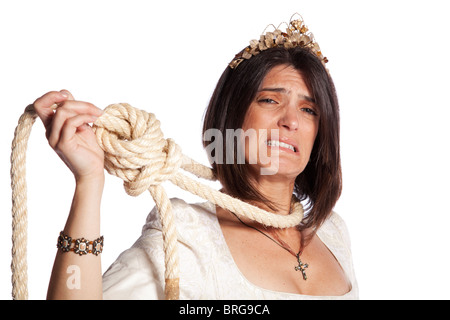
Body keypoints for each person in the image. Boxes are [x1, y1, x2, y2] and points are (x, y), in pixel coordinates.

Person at [34, 15, 358, 300]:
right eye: (270, 100)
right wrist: (89, 181)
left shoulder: (332, 231)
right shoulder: (186, 234)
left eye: (309, 109)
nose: (292, 120)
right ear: (232, 118)